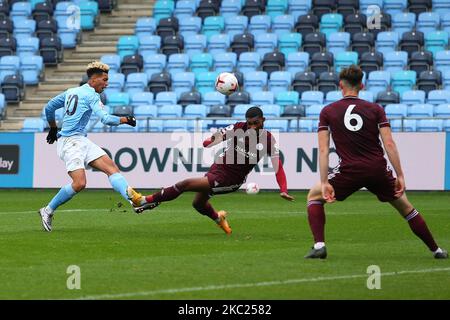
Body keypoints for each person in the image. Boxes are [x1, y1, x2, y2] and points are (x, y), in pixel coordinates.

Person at [304, 65, 448, 259]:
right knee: (406, 209)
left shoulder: (328, 111)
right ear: (362, 86)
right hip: (377, 169)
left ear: (340, 85)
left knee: (314, 197)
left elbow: (323, 150)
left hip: (350, 170)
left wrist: (324, 182)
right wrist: (400, 175)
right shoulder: (375, 109)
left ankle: (319, 246)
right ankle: (436, 250)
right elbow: (389, 143)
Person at [128, 106, 295, 234]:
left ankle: (144, 200)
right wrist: (210, 141)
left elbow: (278, 167)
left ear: (263, 120)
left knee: (185, 184)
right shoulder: (238, 127)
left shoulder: (267, 139)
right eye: (249, 123)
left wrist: (283, 190)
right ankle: (218, 218)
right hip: (217, 169)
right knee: (198, 204)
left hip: (230, 180)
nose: (252, 127)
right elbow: (219, 135)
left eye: (256, 123)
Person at [38, 61, 144, 232]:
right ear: (94, 79)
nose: (106, 84)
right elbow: (106, 119)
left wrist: (52, 127)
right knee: (79, 183)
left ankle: (134, 201)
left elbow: (49, 107)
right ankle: (47, 210)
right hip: (70, 142)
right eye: (104, 79)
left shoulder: (71, 91)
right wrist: (126, 119)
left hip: (81, 140)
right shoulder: (92, 95)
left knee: (112, 168)